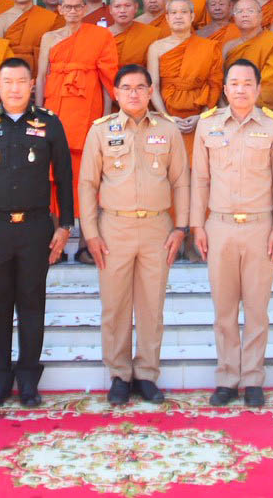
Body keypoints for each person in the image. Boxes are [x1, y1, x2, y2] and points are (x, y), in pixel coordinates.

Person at [0, 59, 75, 407]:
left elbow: (65, 178)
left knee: (31, 304)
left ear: (31, 83)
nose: (13, 88)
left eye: (20, 81)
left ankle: (27, 380)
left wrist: (65, 225)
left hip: (36, 226)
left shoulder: (49, 123)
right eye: (7, 81)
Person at [79, 65, 189, 405]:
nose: (134, 94)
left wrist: (181, 226)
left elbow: (181, 181)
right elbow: (87, 184)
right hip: (114, 228)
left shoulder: (168, 130)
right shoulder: (101, 131)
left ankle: (146, 374)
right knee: (115, 305)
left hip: (157, 228)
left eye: (141, 87)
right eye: (126, 88)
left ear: (151, 90)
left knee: (151, 305)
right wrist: (91, 233)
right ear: (115, 93)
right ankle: (119, 375)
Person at [191, 58, 273, 407]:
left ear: (259, 89)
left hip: (261, 226)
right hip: (218, 226)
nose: (241, 89)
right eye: (234, 83)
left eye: (248, 83)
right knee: (224, 309)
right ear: (225, 88)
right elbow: (200, 179)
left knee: (257, 308)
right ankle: (227, 378)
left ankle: (253, 379)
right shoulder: (208, 125)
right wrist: (196, 224)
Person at [37, 0, 119, 260]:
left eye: (77, 7)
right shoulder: (49, 37)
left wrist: (105, 119)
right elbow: (40, 77)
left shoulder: (100, 36)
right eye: (67, 7)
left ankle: (86, 243)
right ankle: (53, 245)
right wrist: (38, 114)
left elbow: (109, 80)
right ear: (59, 9)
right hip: (54, 112)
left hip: (87, 113)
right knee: (52, 177)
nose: (72, 11)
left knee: (87, 178)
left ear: (85, 9)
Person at [148, 0, 224, 156]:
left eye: (183, 12)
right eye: (173, 12)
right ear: (167, 18)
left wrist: (202, 116)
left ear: (192, 16)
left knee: (198, 166)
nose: (178, 16)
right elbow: (152, 85)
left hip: (200, 115)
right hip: (168, 114)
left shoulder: (209, 47)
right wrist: (166, 117)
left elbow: (215, 84)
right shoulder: (156, 47)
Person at [222, 0, 273, 111]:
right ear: (234, 18)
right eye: (239, 11)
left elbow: (270, 86)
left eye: (250, 11)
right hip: (228, 109)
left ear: (261, 16)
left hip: (259, 112)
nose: (245, 15)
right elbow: (220, 81)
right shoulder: (228, 47)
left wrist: (240, 107)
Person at [0, 0, 64, 72]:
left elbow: (56, 52)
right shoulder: (0, 20)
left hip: (42, 73)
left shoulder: (48, 17)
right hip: (11, 74)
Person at [110, 0, 165, 67]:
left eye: (127, 5)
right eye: (117, 6)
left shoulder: (152, 34)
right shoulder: (101, 36)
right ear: (110, 9)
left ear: (136, 7)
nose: (122, 10)